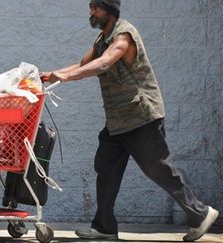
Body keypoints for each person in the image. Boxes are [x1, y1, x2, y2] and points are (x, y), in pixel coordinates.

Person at [40, 0, 219, 241]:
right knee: (105, 167)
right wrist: (52, 75)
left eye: (96, 7)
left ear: (110, 10)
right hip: (117, 121)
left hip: (140, 117)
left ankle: (200, 213)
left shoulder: (124, 35)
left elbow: (104, 63)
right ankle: (104, 226)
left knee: (158, 168)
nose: (91, 12)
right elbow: (83, 64)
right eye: (90, 7)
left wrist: (66, 77)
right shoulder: (102, 39)